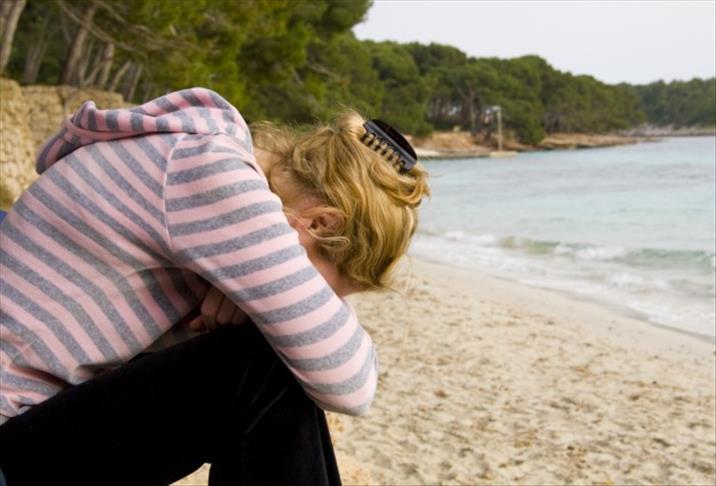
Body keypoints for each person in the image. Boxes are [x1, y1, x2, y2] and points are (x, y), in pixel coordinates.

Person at [0, 87, 429, 484]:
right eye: (327, 291)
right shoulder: (211, 171)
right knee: (267, 365)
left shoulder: (193, 157)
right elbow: (353, 384)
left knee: (272, 347)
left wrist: (260, 302)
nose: (320, 301)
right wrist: (275, 309)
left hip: (32, 426)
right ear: (319, 223)